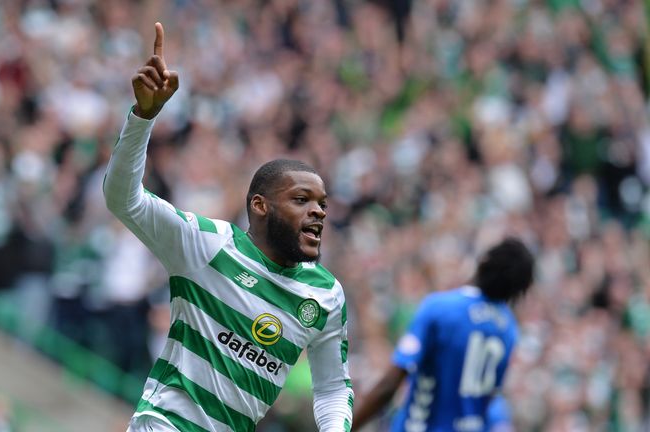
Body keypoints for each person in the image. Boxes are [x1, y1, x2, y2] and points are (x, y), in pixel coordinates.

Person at [103, 22, 353, 432]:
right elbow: (122, 199)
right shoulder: (207, 245)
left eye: (323, 205)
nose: (318, 213)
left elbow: (332, 388)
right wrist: (142, 119)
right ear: (260, 206)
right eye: (301, 200)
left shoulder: (325, 296)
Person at [352, 237, 534, 432]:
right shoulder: (508, 329)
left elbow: (389, 384)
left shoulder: (440, 308)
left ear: (483, 261)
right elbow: (489, 398)